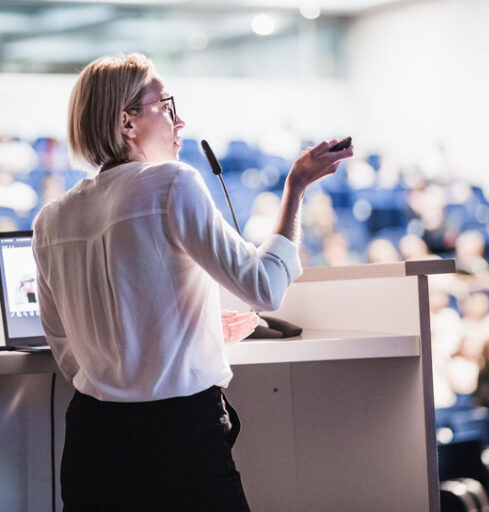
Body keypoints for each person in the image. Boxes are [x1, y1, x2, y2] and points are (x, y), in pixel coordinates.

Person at [32, 53, 352, 511]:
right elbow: (264, 288)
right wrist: (296, 187)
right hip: (176, 440)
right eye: (165, 105)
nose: (180, 121)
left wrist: (184, 333)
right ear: (127, 122)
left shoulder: (50, 220)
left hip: (91, 442)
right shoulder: (171, 184)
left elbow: (66, 344)